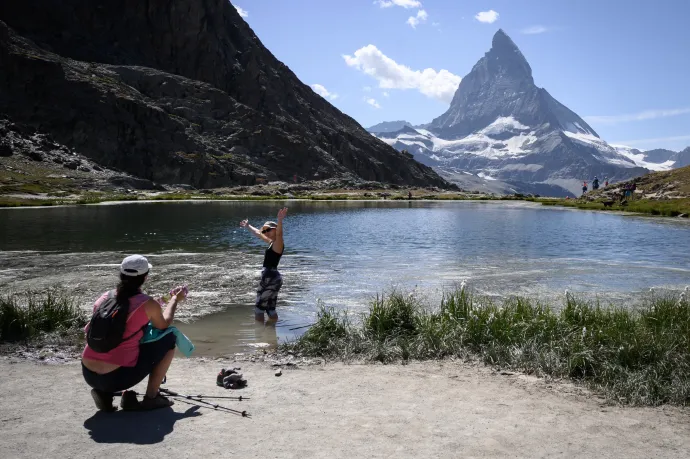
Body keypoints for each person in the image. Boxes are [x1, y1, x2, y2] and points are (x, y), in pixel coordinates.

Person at [81, 255, 186, 411]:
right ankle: (151, 397)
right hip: (118, 378)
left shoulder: (104, 298)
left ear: (121, 274)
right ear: (145, 277)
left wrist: (167, 297)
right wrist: (175, 300)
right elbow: (164, 323)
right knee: (170, 338)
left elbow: (137, 306)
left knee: (120, 346)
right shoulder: (147, 304)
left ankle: (105, 394)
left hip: (88, 373)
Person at [240, 207, 288, 322]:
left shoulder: (278, 242)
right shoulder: (272, 242)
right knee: (270, 309)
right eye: (265, 231)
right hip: (273, 277)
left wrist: (280, 220)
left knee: (259, 309)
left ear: (275, 229)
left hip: (270, 277)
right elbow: (258, 233)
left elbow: (280, 234)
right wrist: (248, 226)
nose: (266, 233)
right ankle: (271, 332)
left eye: (268, 230)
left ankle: (260, 335)